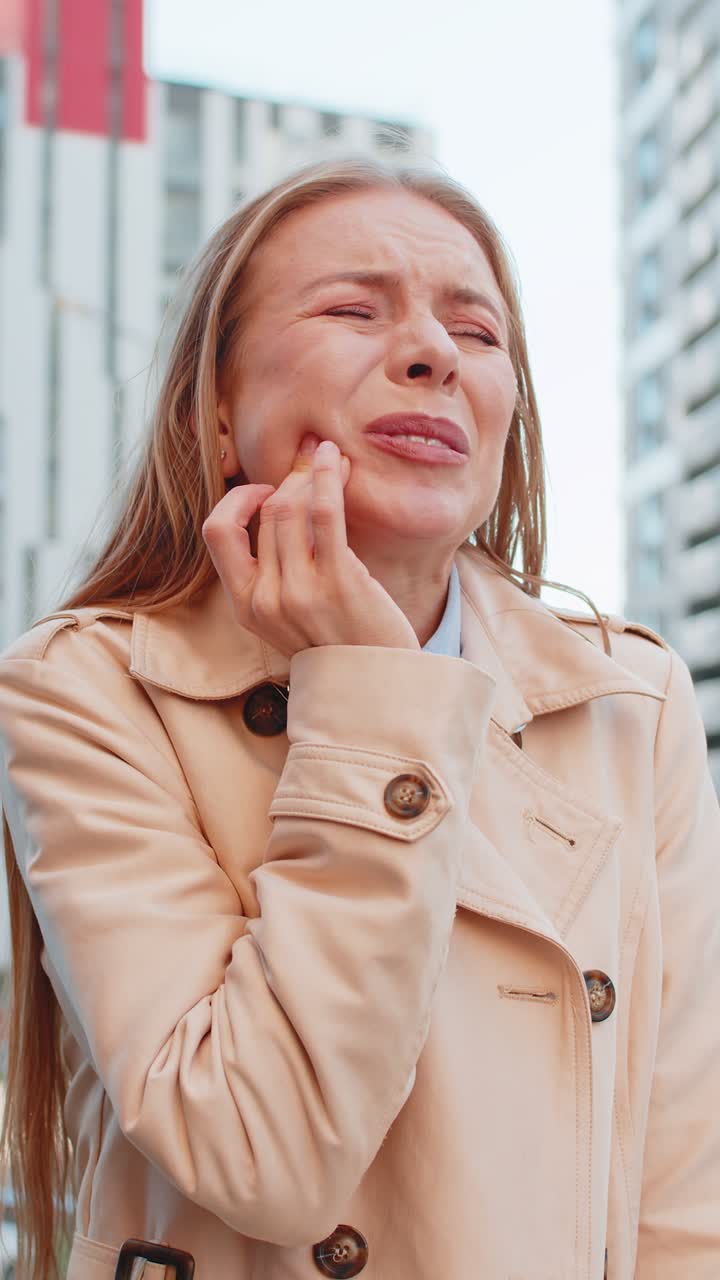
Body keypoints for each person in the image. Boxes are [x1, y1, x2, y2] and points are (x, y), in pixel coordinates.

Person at [0, 157, 718, 1280]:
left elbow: (684, 1196)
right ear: (220, 407)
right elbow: (261, 1153)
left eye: (479, 334)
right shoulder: (85, 687)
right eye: (352, 308)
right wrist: (373, 691)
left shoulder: (631, 702)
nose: (435, 352)